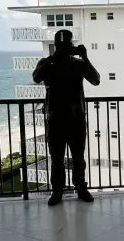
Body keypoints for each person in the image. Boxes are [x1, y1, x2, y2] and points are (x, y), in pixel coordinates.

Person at [32, 29, 101, 206]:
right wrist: (53, 59)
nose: (65, 48)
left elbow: (96, 80)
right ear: (56, 46)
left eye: (67, 46)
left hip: (75, 119)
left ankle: (80, 188)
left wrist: (85, 57)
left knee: (78, 158)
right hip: (56, 120)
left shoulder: (77, 64)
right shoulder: (47, 63)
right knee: (57, 159)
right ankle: (57, 191)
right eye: (62, 46)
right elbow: (36, 77)